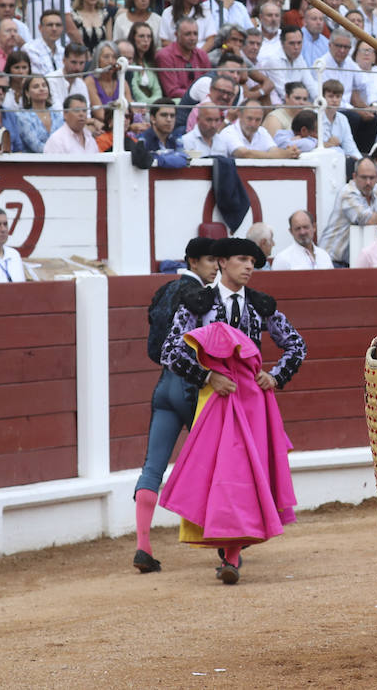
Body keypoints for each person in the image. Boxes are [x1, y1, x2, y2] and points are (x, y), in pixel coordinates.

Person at [159, 237, 306, 583]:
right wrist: (208, 376)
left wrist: (275, 376)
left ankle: (232, 552)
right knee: (224, 474)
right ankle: (230, 551)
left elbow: (296, 345)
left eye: (253, 261)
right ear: (222, 263)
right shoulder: (198, 303)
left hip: (253, 402)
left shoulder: (260, 305)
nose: (250, 266)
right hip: (215, 399)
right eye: (242, 259)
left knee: (244, 476)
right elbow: (170, 350)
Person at [131, 236, 217, 573]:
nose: (216, 266)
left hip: (164, 384)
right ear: (193, 262)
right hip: (194, 385)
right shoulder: (204, 296)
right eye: (210, 260)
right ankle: (227, 544)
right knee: (218, 462)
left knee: (152, 467)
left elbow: (155, 346)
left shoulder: (164, 290)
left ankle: (143, 545)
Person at [319, 156, 377, 265]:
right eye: (364, 177)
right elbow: (367, 219)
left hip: (355, 260)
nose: (368, 182)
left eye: (372, 178)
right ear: (355, 176)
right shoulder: (347, 192)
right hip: (332, 261)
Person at [270, 210, 335, 271]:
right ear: (291, 231)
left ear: (314, 227)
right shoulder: (282, 259)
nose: (302, 232)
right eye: (298, 229)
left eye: (306, 227)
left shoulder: (324, 255)